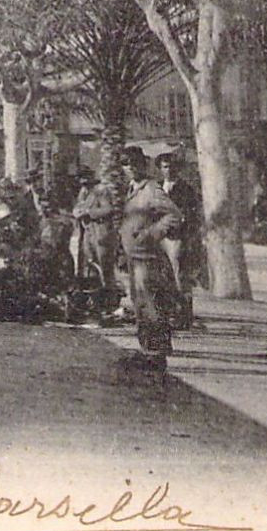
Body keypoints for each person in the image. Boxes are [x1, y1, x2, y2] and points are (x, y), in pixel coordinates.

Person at [119, 147, 184, 371]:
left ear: (144, 164)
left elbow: (174, 215)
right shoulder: (130, 189)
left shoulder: (152, 189)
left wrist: (151, 234)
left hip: (148, 258)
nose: (131, 167)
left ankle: (157, 354)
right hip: (134, 258)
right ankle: (148, 350)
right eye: (126, 163)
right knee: (141, 306)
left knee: (152, 305)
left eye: (135, 162)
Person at [158, 152, 205, 331]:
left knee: (179, 275)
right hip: (159, 236)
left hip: (176, 237)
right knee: (162, 274)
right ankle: (166, 313)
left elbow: (191, 214)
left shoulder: (185, 189)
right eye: (165, 167)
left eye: (171, 166)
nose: (168, 170)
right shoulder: (157, 187)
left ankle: (184, 315)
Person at [72, 167, 121, 315]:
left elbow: (108, 209)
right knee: (90, 266)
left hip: (101, 233)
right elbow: (77, 207)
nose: (83, 182)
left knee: (105, 268)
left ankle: (110, 303)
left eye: (85, 178)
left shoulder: (101, 190)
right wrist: (77, 213)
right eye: (81, 179)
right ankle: (95, 302)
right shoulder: (83, 192)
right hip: (87, 233)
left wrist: (89, 213)